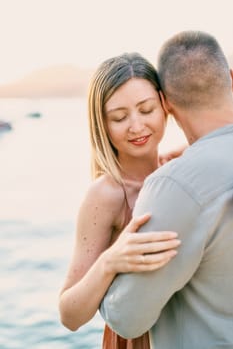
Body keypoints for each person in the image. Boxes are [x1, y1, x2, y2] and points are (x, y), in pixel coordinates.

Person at [100, 31, 233, 348]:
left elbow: (128, 319)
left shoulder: (175, 184)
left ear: (165, 103)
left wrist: (108, 267)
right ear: (230, 77)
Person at [59, 52, 182, 348]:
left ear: (165, 106)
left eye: (146, 109)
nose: (136, 126)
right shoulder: (106, 194)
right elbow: (69, 315)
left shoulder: (178, 170)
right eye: (119, 117)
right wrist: (109, 262)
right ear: (102, 124)